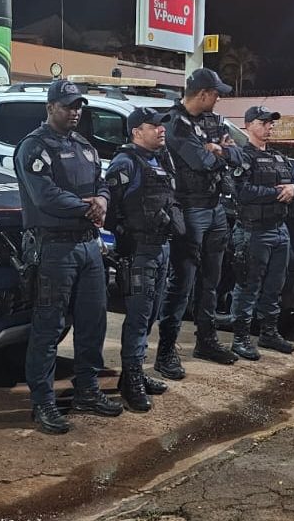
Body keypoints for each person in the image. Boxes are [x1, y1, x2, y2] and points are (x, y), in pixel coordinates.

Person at [14, 79, 123, 435]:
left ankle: (87, 391)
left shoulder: (84, 146)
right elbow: (45, 196)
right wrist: (87, 208)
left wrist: (102, 199)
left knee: (93, 322)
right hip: (54, 248)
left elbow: (101, 183)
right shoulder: (33, 147)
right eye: (67, 106)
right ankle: (42, 402)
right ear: (50, 107)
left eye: (78, 106)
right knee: (49, 327)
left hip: (89, 246)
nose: (75, 112)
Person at [154, 68, 244, 380]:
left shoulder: (213, 121)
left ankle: (206, 341)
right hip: (189, 209)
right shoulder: (174, 123)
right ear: (203, 94)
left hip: (215, 207)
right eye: (216, 93)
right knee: (182, 283)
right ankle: (166, 351)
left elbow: (239, 155)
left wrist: (220, 150)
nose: (219, 99)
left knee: (211, 280)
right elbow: (200, 162)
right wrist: (219, 152)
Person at [104, 108, 181, 411]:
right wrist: (126, 239)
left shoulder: (159, 160)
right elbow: (110, 212)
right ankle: (132, 381)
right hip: (139, 252)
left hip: (161, 248)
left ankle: (133, 373)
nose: (162, 130)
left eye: (162, 126)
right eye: (155, 126)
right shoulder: (125, 163)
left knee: (150, 315)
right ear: (137, 131)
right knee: (138, 317)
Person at [228, 106, 294, 360]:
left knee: (274, 286)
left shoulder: (279, 158)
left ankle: (269, 333)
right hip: (253, 232)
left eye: (271, 123)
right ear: (249, 125)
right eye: (263, 122)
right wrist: (277, 193)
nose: (269, 127)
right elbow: (241, 192)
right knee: (248, 287)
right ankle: (240, 338)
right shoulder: (242, 157)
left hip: (279, 230)